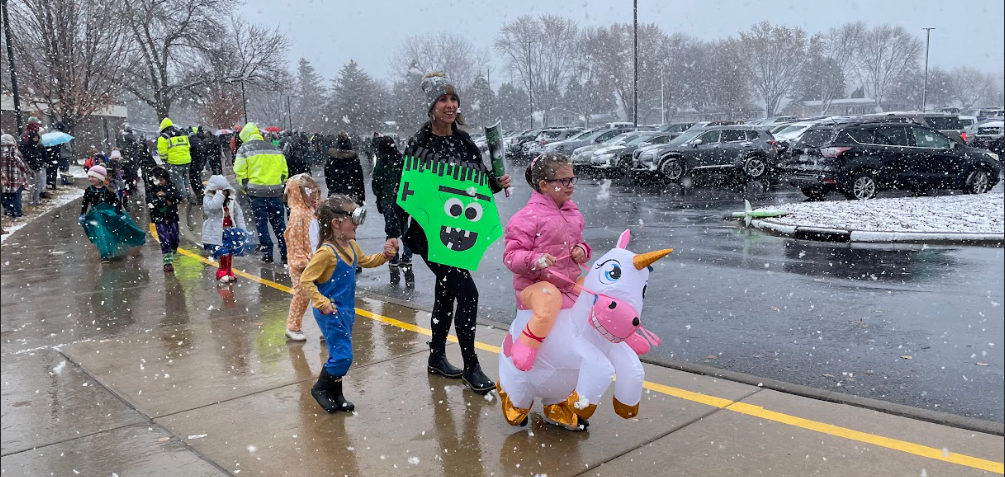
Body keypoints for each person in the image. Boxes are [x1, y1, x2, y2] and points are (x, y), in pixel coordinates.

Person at [385, 71, 512, 394]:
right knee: (467, 293)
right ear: (432, 105)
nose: (450, 105)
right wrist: (393, 232)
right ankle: (471, 366)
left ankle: (437, 357)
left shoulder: (465, 142)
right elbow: (403, 191)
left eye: (453, 99)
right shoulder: (419, 144)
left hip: (459, 235)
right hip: (427, 235)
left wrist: (496, 183)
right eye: (443, 99)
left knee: (447, 292)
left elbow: (477, 188)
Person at [300, 194, 396, 412]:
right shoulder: (326, 253)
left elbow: (367, 261)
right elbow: (306, 279)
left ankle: (337, 393)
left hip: (346, 310)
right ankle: (321, 389)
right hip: (329, 311)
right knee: (344, 355)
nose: (357, 224)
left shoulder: (351, 245)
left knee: (338, 353)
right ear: (336, 223)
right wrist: (321, 302)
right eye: (354, 218)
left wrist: (385, 256)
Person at [502, 153, 591, 371]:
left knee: (598, 288)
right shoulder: (527, 217)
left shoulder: (573, 213)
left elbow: (580, 243)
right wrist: (535, 260)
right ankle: (525, 346)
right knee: (549, 297)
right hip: (533, 290)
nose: (571, 185)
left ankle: (611, 341)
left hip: (566, 286)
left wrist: (582, 250)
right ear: (544, 185)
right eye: (564, 181)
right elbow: (511, 257)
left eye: (572, 179)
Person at [233, 122, 289, 264]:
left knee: (261, 224)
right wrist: (279, 185)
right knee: (279, 224)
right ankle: (285, 252)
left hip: (256, 193)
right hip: (275, 192)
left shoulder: (244, 150)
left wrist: (246, 187)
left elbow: (239, 171)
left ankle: (267, 253)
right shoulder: (274, 148)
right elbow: (284, 171)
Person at [283, 173, 322, 342]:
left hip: (313, 259)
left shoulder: (309, 210)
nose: (313, 197)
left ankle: (326, 328)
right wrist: (301, 261)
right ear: (299, 194)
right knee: (302, 294)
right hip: (302, 263)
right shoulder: (298, 214)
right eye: (310, 193)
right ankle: (293, 327)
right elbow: (294, 241)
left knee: (320, 294)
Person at [371, 135, 414, 287]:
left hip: (388, 200)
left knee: (391, 231)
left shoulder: (382, 163)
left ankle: (393, 258)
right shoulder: (402, 160)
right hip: (403, 200)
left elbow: (376, 183)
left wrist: (380, 195)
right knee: (404, 228)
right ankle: (407, 256)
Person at [203, 175, 248, 282]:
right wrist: (220, 196)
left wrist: (242, 229)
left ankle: (229, 270)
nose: (222, 192)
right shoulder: (208, 199)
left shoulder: (231, 201)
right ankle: (222, 271)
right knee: (222, 252)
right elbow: (213, 207)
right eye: (218, 190)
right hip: (216, 231)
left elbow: (238, 214)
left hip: (230, 230)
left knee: (230, 252)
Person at [146, 167, 183, 272]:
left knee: (174, 236)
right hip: (159, 218)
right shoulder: (150, 189)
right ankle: (167, 262)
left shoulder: (171, 187)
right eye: (158, 180)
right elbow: (150, 201)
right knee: (164, 239)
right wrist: (164, 202)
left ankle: (173, 248)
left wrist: (166, 195)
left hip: (172, 217)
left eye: (162, 179)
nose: (160, 182)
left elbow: (178, 197)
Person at [323, 132, 365, 206]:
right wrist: (361, 197)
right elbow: (359, 180)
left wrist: (331, 187)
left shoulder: (331, 159)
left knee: (334, 214)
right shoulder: (353, 159)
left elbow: (327, 177)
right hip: (350, 193)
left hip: (334, 193)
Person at [156, 117, 193, 199]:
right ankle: (188, 194)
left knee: (178, 181)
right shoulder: (182, 133)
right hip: (187, 161)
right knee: (185, 179)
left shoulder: (164, 137)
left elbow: (162, 153)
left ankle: (183, 197)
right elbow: (188, 146)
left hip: (175, 162)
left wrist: (165, 159)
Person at [1, 134, 35, 218]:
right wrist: (28, 171)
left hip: (3, 177)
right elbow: (20, 162)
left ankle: (9, 211)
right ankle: (18, 211)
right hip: (15, 176)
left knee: (6, 194)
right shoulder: (13, 149)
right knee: (16, 194)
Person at [20, 120, 46, 206]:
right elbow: (24, 156)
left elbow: (44, 155)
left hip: (38, 166)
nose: (36, 139)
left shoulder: (39, 146)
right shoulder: (27, 146)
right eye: (34, 137)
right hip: (30, 167)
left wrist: (41, 162)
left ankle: (37, 200)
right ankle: (30, 200)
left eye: (37, 137)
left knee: (37, 184)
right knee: (32, 185)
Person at [188, 127, 208, 199]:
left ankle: (200, 196)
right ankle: (202, 193)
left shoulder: (190, 141)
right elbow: (205, 154)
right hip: (199, 163)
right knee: (198, 179)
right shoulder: (199, 141)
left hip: (194, 163)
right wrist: (203, 164)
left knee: (194, 180)